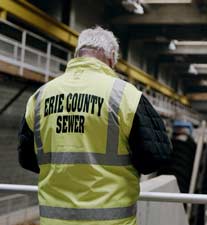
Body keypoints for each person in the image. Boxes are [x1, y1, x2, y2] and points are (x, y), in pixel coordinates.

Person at [17, 26, 172, 225]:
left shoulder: (40, 97)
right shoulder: (124, 95)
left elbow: (27, 158)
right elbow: (156, 157)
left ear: (78, 53)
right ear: (112, 56)